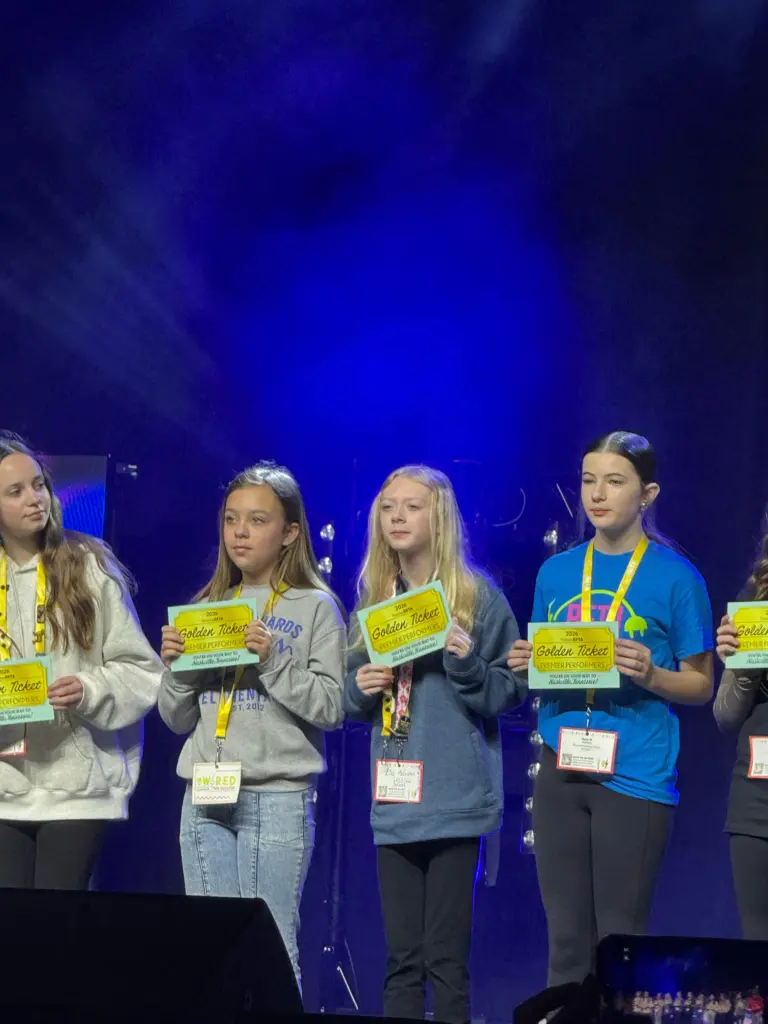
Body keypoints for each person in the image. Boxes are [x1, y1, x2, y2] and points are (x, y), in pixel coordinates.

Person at [508, 431, 713, 987]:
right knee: (565, 943)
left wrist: (652, 674)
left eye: (615, 482)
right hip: (561, 765)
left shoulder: (677, 577)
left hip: (635, 772)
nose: (597, 494)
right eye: (588, 480)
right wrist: (525, 664)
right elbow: (550, 665)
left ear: (647, 494)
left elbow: (701, 685)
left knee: (619, 942)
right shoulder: (556, 572)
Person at [343, 465, 525, 1024]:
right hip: (395, 803)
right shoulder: (375, 601)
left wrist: (465, 662)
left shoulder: (476, 597)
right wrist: (360, 687)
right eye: (387, 507)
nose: (397, 516)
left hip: (454, 802)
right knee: (401, 961)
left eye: (412, 506)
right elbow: (350, 698)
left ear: (440, 517)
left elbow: (509, 691)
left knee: (446, 962)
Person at [158, 462, 345, 987]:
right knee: (210, 949)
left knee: (271, 950)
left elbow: (332, 707)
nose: (240, 532)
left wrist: (272, 661)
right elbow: (176, 719)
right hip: (204, 796)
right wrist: (176, 671)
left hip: (276, 797)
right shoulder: (206, 607)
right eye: (231, 519)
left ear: (289, 533)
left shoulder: (316, 608)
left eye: (257, 520)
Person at [0, 432, 162, 889]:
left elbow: (142, 671)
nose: (35, 499)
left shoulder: (89, 564)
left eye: (39, 485)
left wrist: (88, 689)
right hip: (4, 786)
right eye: (16, 491)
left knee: (56, 924)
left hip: (76, 789)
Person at [713, 514, 768, 940]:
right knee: (758, 946)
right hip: (757, 804)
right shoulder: (755, 597)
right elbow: (725, 716)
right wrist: (742, 668)